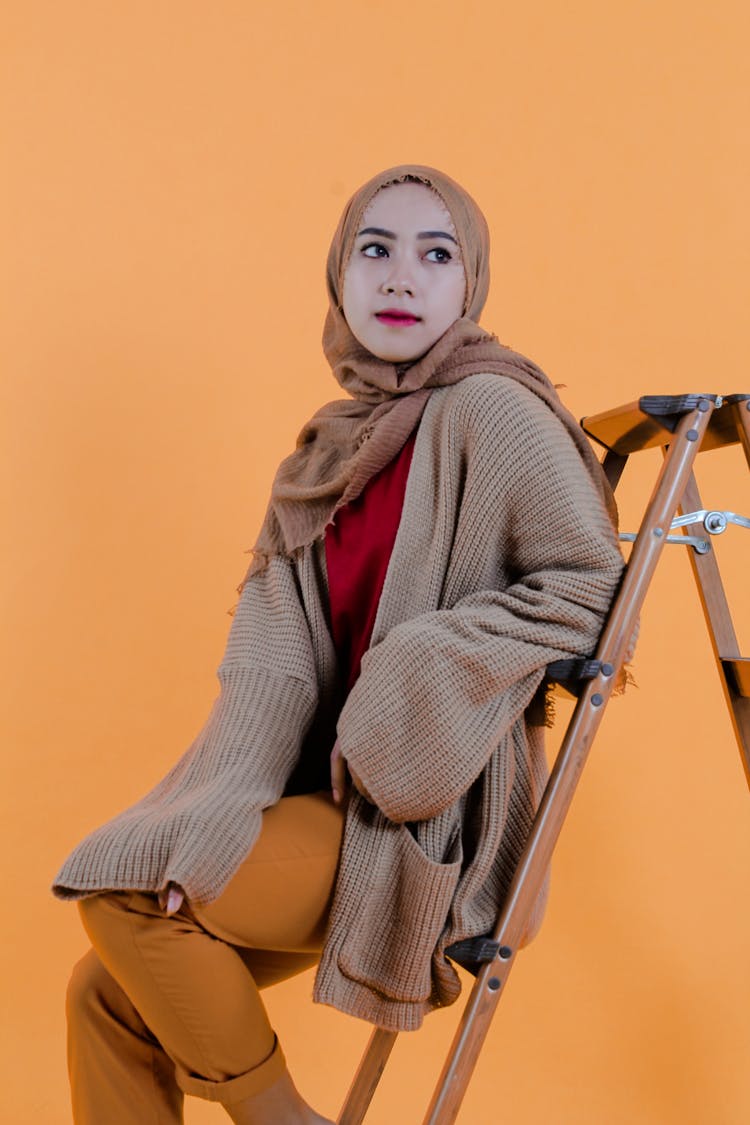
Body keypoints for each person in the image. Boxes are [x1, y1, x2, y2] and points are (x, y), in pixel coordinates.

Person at [54, 164, 626, 1124]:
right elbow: (271, 665)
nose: (402, 278)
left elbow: (596, 588)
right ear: (340, 276)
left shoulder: (495, 410)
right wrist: (214, 808)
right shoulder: (329, 453)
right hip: (321, 801)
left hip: (420, 815)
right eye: (377, 250)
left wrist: (427, 659)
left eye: (434, 255)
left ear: (469, 284)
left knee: (117, 899)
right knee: (103, 994)